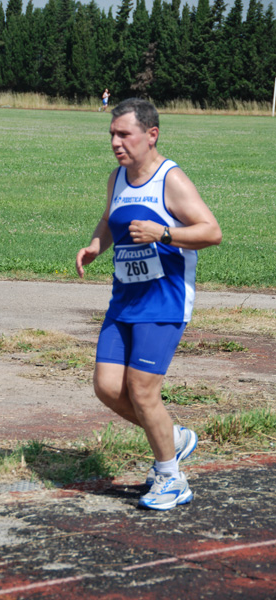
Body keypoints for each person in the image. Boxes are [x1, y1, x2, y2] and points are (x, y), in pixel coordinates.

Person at [76, 98, 222, 511]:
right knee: (107, 387)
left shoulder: (169, 179)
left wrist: (163, 233)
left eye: (125, 134)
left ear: (151, 134)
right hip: (124, 298)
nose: (116, 143)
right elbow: (109, 220)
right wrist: (95, 245)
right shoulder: (117, 178)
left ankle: (170, 478)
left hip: (164, 300)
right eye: (112, 135)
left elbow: (211, 231)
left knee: (142, 392)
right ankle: (172, 437)